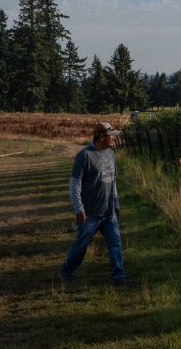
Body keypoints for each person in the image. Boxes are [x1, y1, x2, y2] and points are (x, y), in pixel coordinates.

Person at [58, 121, 135, 287]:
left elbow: (112, 181)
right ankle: (66, 271)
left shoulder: (110, 154)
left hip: (108, 212)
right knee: (81, 246)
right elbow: (75, 184)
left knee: (115, 244)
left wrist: (116, 203)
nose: (114, 138)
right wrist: (78, 208)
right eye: (111, 135)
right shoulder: (84, 156)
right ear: (101, 137)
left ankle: (119, 277)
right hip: (90, 213)